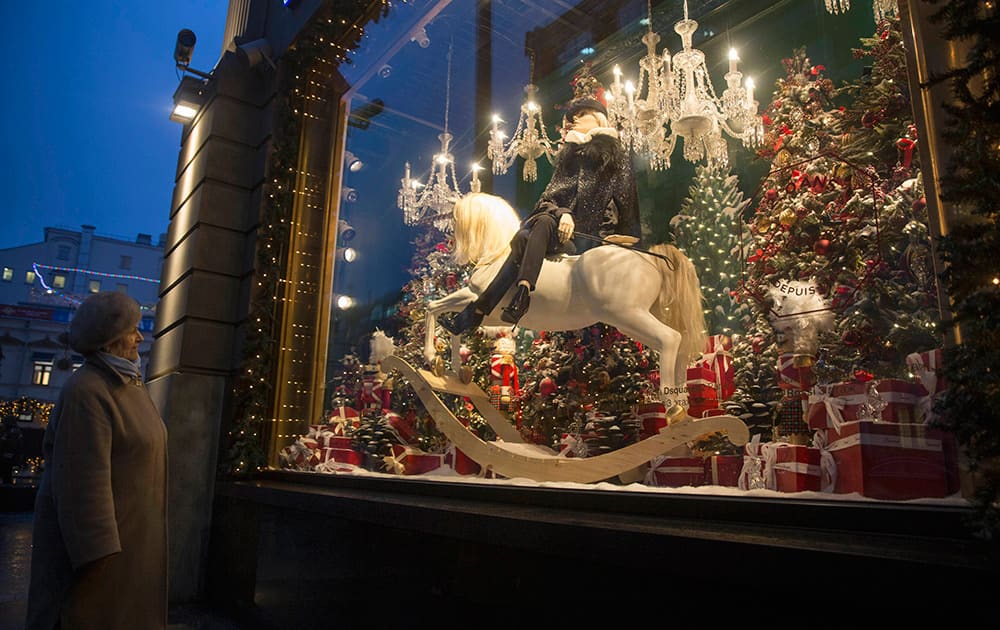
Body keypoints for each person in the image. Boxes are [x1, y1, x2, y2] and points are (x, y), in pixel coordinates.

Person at [26, 292, 168, 630]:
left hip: (130, 551)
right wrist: (97, 554)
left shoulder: (127, 385)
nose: (139, 337)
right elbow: (80, 484)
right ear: (110, 338)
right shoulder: (88, 391)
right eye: (133, 329)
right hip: (101, 566)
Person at [441, 94, 640, 334]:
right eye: (571, 117)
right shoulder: (569, 157)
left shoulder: (613, 154)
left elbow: (627, 197)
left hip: (593, 234)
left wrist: (626, 236)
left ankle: (477, 312)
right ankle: (521, 296)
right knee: (536, 226)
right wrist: (564, 213)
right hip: (559, 232)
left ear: (598, 119)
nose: (573, 120)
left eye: (581, 115)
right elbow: (547, 199)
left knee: (524, 239)